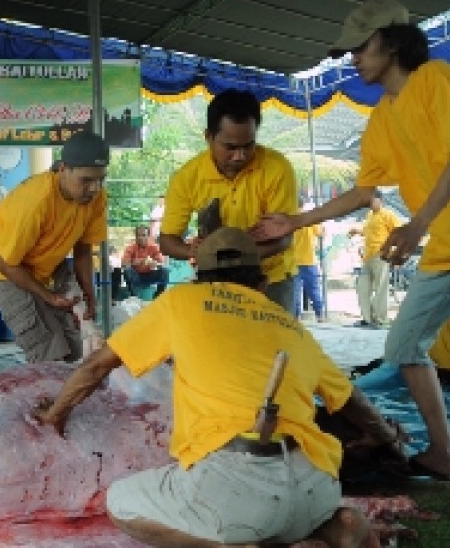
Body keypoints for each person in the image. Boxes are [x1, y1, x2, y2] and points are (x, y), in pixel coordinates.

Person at [33, 227, 399, 547]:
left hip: (235, 488)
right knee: (295, 511)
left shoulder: (182, 301)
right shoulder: (291, 326)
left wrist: (54, 414)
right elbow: (353, 400)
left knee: (121, 504)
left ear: (198, 278)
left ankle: (234, 545)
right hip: (315, 484)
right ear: (262, 283)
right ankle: (336, 528)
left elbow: (97, 365)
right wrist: (390, 441)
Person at [253, 0, 450, 480]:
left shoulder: (435, 81)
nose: (353, 58)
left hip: (434, 237)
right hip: (442, 250)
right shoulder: (382, 116)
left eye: (360, 47)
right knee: (404, 346)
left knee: (405, 345)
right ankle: (443, 453)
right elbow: (365, 191)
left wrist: (418, 223)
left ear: (391, 42)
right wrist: (295, 223)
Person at [158, 89, 298, 312]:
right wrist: (193, 251)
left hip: (272, 281)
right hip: (214, 284)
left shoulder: (277, 168)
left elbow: (283, 239)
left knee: (275, 347)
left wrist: (226, 258)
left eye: (248, 145)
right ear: (208, 137)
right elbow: (166, 241)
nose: (240, 155)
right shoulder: (187, 177)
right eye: (230, 147)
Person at [0, 130, 108, 363]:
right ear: (63, 169)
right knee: (48, 348)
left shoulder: (96, 197)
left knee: (74, 346)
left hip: (45, 263)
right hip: (2, 268)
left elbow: (84, 248)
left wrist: (88, 291)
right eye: (86, 180)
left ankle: (65, 396)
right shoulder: (35, 203)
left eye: (100, 179)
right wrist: (49, 297)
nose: (95, 188)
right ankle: (47, 398)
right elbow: (5, 263)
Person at [348, 193, 400, 327]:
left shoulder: (388, 215)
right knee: (362, 287)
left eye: (373, 200)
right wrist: (357, 231)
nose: (371, 203)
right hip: (368, 257)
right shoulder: (369, 216)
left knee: (381, 288)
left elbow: (399, 234)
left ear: (380, 201)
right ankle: (367, 318)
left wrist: (395, 254)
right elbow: (367, 231)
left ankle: (381, 319)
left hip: (381, 255)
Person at [293, 203, 325, 322]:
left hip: (294, 261)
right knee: (314, 289)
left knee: (295, 291)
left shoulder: (290, 219)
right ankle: (319, 315)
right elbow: (321, 233)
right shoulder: (310, 218)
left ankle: (296, 317)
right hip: (309, 260)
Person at [121, 224, 169, 299]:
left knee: (165, 271)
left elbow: (161, 263)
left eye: (143, 235)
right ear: (136, 237)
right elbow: (123, 264)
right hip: (136, 275)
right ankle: (133, 296)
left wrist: (155, 264)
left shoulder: (154, 247)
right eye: (138, 235)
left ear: (148, 236)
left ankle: (158, 296)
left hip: (150, 274)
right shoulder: (130, 248)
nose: (141, 238)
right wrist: (133, 263)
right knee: (127, 270)